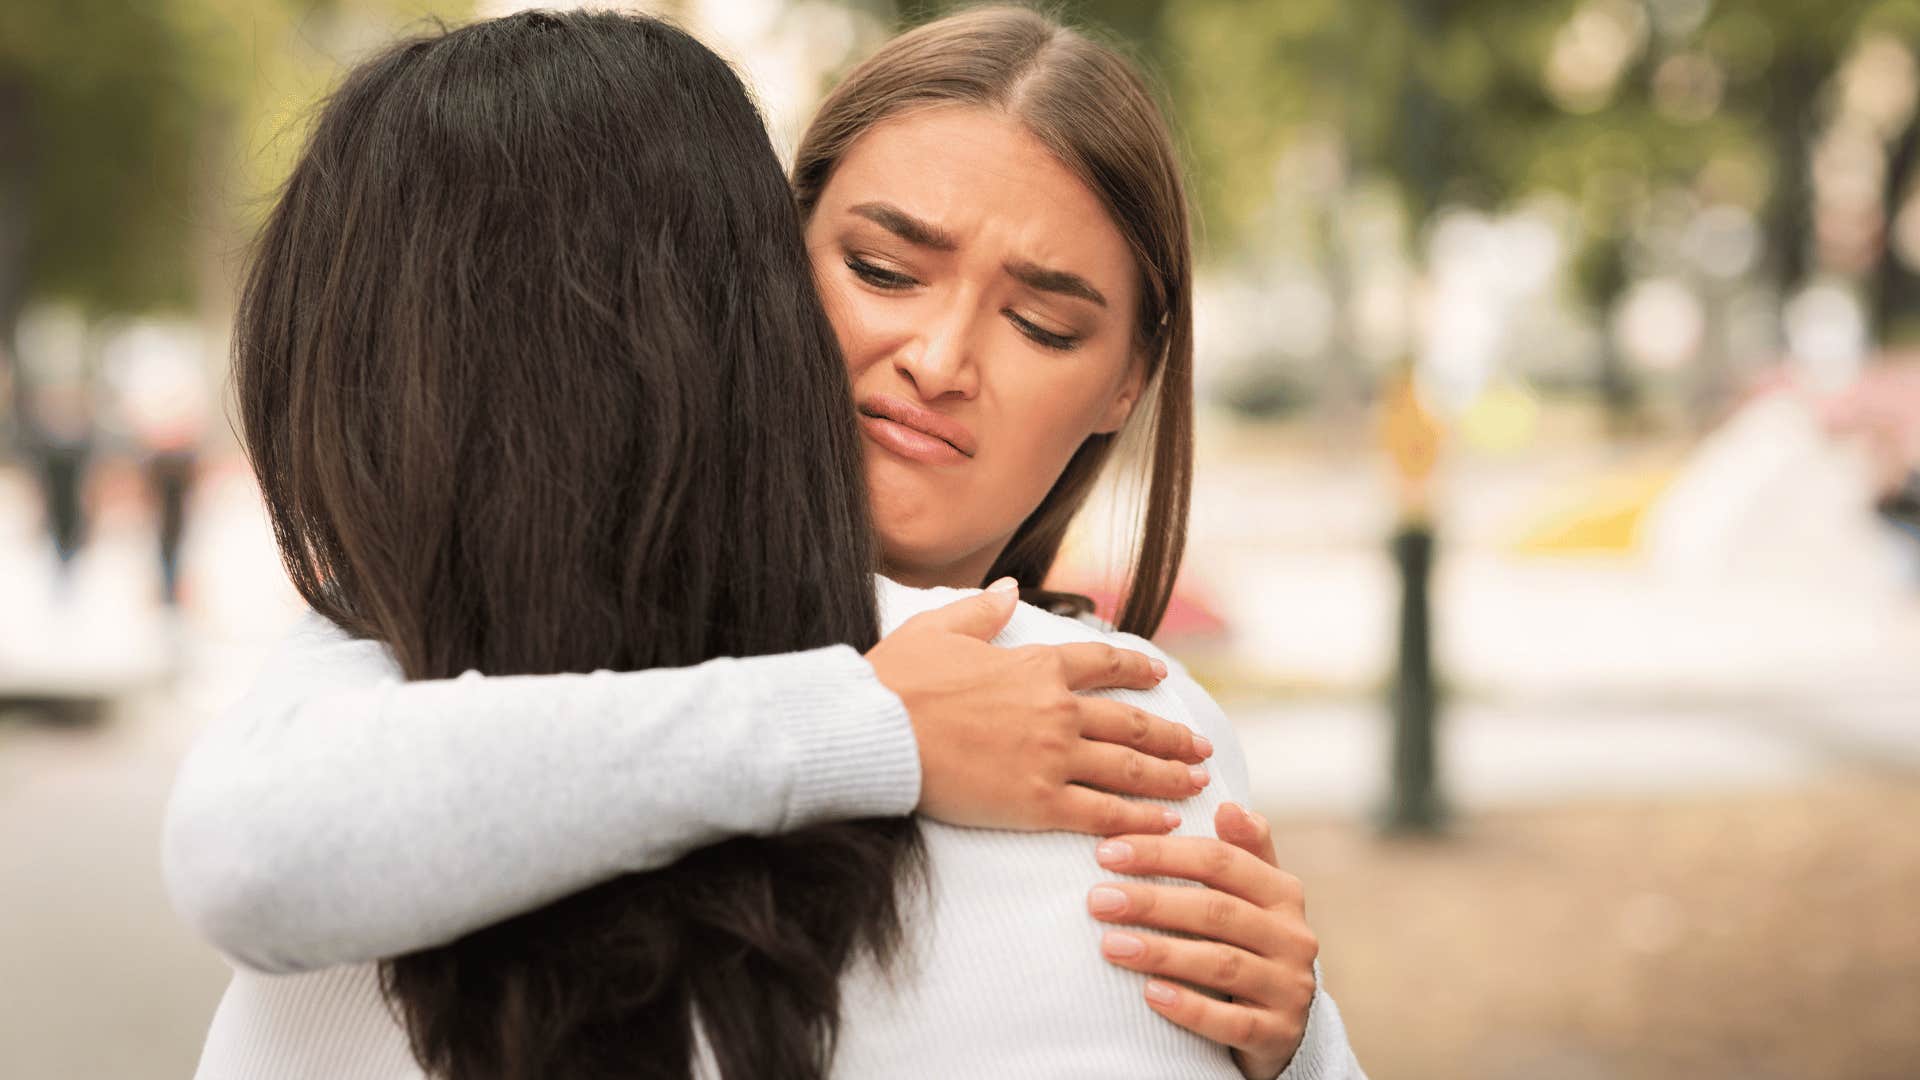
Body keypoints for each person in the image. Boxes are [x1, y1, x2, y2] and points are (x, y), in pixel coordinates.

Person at [165, 8, 1361, 1080]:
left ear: (1128, 383)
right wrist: (872, 724)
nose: (941, 364)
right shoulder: (426, 669)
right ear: (765, 267)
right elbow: (254, 849)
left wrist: (1297, 1044)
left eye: (1042, 324)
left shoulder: (1122, 727)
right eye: (882, 270)